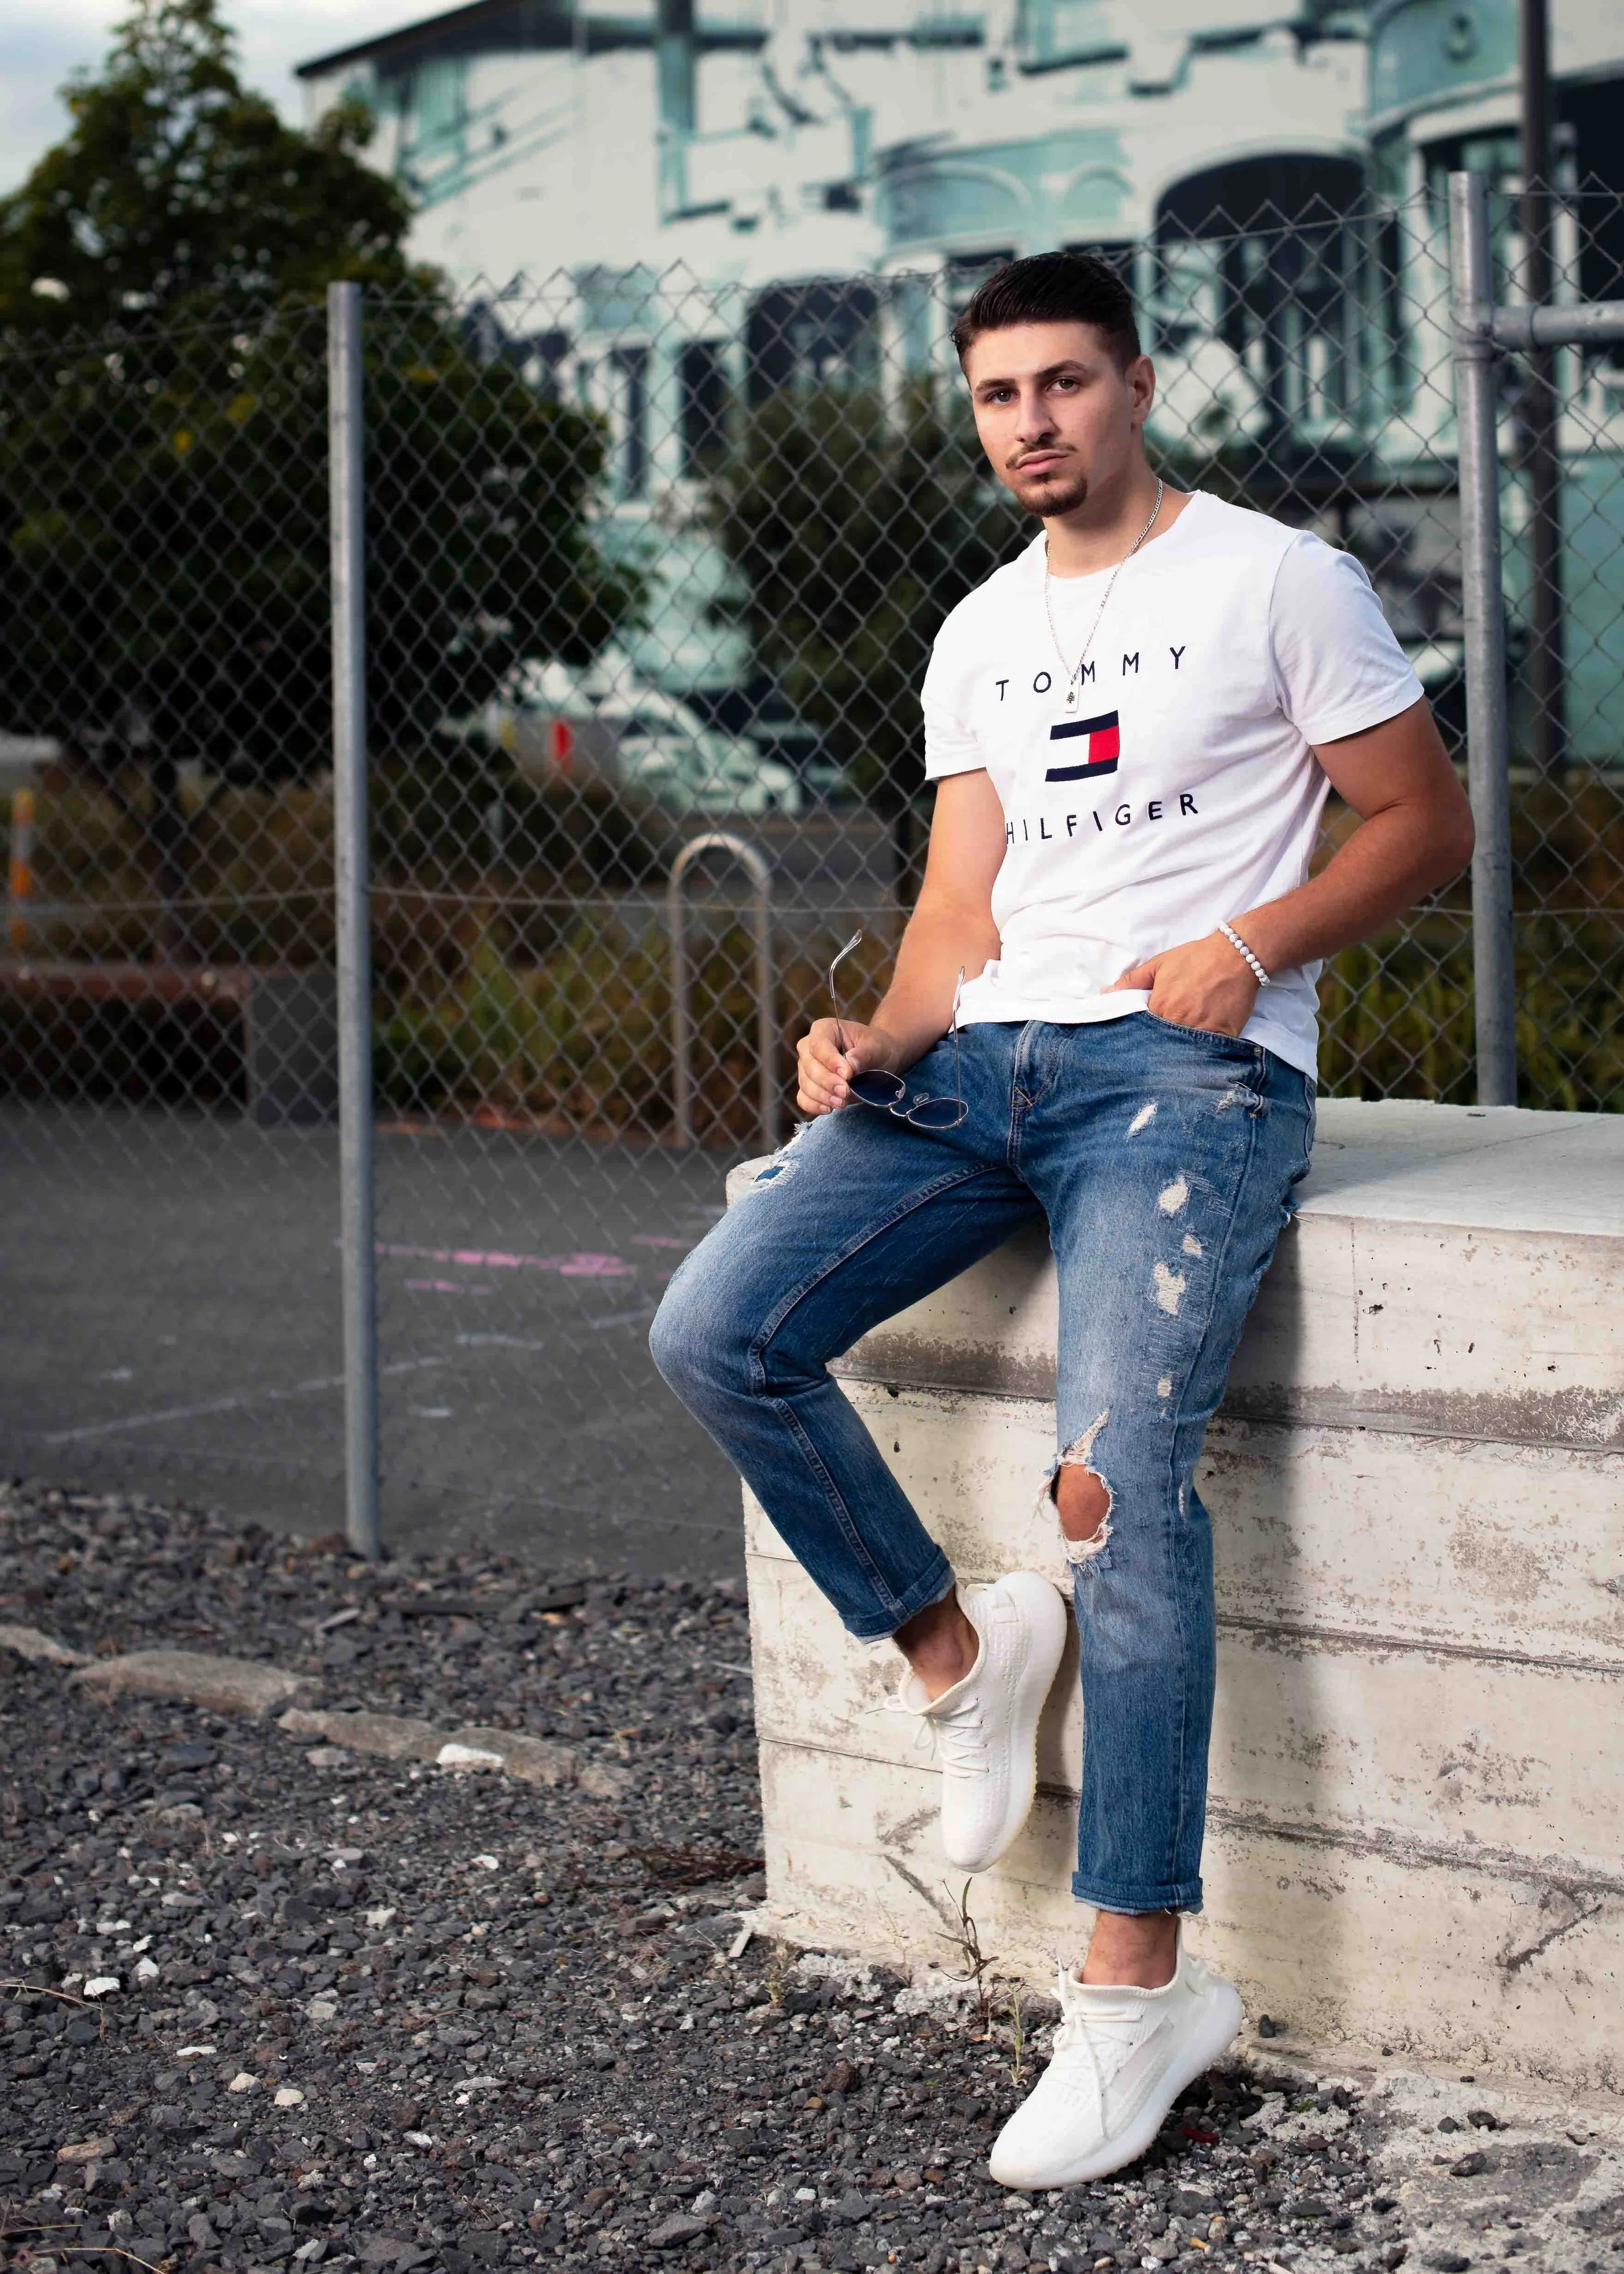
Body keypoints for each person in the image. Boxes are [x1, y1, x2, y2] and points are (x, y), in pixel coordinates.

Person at [650, 249, 1473, 2186]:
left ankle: (1135, 1993)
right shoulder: (978, 630)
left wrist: (1249, 946)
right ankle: (954, 1654)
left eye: (1063, 385)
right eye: (997, 394)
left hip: (1185, 1085)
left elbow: (1421, 822)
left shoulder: (1276, 578)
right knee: (713, 1328)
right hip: (976, 1072)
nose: (1030, 422)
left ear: (1135, 384)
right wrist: (870, 1022)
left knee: (1116, 1489)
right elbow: (960, 910)